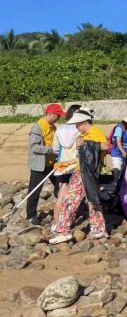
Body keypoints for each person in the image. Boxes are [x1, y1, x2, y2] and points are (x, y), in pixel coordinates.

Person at [49, 108, 109, 244]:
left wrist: (86, 144)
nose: (76, 127)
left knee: (71, 201)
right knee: (92, 200)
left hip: (86, 173)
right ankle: (99, 230)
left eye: (77, 124)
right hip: (83, 171)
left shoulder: (95, 132)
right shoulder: (87, 133)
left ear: (85, 122)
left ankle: (63, 230)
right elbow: (83, 157)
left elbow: (106, 146)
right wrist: (66, 163)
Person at [26, 103, 66, 225]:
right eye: (57, 115)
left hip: (52, 164)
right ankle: (31, 215)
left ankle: (63, 209)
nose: (59, 118)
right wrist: (51, 150)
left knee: (60, 186)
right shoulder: (37, 127)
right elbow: (34, 147)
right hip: (39, 165)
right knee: (35, 191)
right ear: (50, 114)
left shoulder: (53, 127)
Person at [51, 104, 82, 232]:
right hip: (75, 166)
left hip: (62, 166)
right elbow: (81, 151)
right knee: (73, 196)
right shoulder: (80, 130)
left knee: (61, 195)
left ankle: (57, 222)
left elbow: (55, 149)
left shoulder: (59, 130)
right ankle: (66, 221)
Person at [110, 112, 127, 184]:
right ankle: (114, 184)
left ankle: (120, 185)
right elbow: (118, 141)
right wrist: (122, 151)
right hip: (117, 152)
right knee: (117, 169)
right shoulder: (120, 128)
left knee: (124, 170)